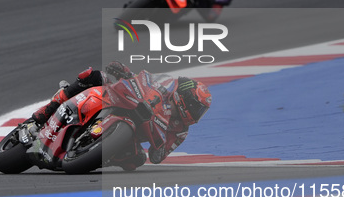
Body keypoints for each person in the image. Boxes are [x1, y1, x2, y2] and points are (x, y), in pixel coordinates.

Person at [29, 62, 212, 170]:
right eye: (196, 109)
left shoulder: (181, 131)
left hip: (133, 133)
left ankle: (90, 154)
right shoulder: (167, 84)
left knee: (136, 160)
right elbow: (144, 79)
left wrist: (160, 143)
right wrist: (123, 71)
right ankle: (47, 109)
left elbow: (158, 157)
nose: (196, 115)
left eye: (200, 112)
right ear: (185, 97)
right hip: (126, 100)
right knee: (95, 76)